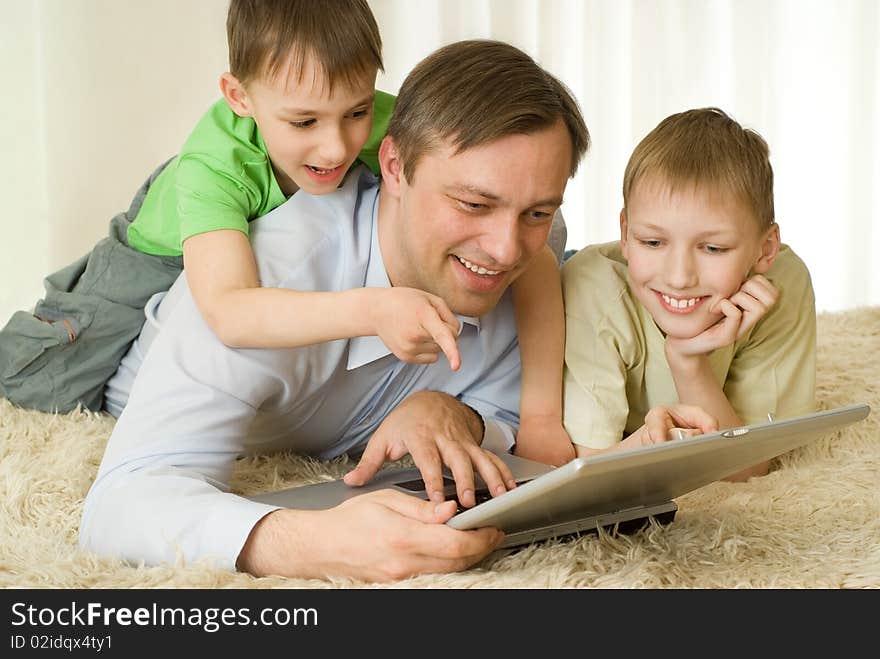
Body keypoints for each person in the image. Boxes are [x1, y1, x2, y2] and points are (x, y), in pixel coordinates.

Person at [79, 40, 713, 582]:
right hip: (125, 361)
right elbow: (119, 505)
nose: (504, 248)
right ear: (395, 168)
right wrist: (311, 542)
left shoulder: (530, 255)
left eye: (537, 211)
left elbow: (520, 420)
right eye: (471, 204)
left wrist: (456, 416)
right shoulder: (273, 276)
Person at [0, 1, 574, 467]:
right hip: (155, 258)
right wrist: (374, 310)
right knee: (44, 379)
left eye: (355, 112)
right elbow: (230, 313)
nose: (337, 147)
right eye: (304, 123)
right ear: (239, 97)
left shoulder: (384, 125)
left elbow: (500, 200)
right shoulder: (211, 170)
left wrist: (543, 418)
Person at [562, 107, 816, 481]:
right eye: (652, 241)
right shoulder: (591, 286)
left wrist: (688, 362)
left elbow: (746, 468)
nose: (679, 277)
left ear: (765, 250)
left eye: (712, 249)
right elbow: (589, 472)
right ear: (626, 232)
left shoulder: (783, 285)